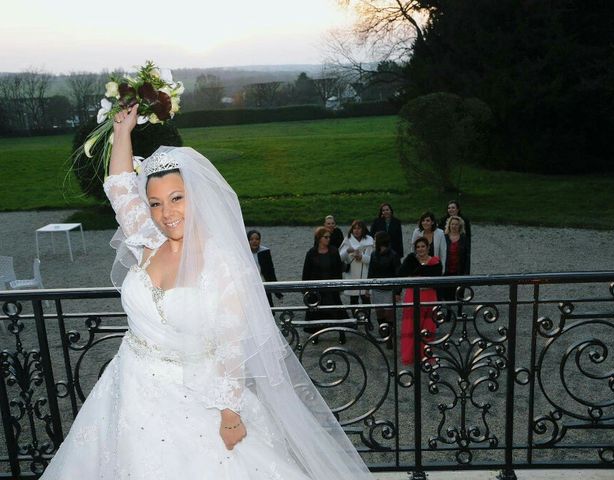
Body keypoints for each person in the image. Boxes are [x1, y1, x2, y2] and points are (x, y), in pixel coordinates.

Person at [40, 105, 373, 480]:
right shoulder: (147, 241)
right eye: (155, 203)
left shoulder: (222, 264)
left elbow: (232, 343)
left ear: (196, 197)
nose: (167, 213)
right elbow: (119, 186)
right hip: (129, 384)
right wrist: (122, 131)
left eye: (177, 198)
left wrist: (230, 413)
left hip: (197, 396)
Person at [397, 237, 442, 366]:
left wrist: (415, 275)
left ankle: (426, 354)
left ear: (428, 247)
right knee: (410, 326)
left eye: (423, 246)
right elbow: (400, 274)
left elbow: (436, 280)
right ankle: (409, 356)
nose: (420, 249)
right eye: (418, 247)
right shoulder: (411, 260)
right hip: (413, 296)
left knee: (428, 327)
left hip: (429, 297)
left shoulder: (435, 262)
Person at [302, 226, 349, 332]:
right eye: (326, 237)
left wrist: (339, 285)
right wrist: (305, 288)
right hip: (316, 289)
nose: (328, 239)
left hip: (331, 288)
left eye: (329, 237)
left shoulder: (333, 251)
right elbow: (306, 272)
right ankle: (315, 334)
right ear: (319, 238)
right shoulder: (311, 253)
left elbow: (338, 270)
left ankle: (341, 333)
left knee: (336, 312)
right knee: (316, 312)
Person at [367, 231, 401, 348]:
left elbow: (398, 275)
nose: (374, 242)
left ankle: (389, 336)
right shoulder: (373, 254)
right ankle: (383, 332)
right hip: (377, 289)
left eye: (375, 239)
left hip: (389, 290)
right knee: (379, 312)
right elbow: (371, 271)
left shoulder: (393, 255)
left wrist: (397, 292)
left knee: (389, 314)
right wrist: (367, 287)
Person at [339, 220, 374, 309]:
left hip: (365, 276)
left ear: (363, 229)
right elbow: (339, 259)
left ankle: (367, 321)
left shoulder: (369, 242)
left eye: (359, 228)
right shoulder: (347, 241)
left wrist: (361, 257)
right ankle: (356, 320)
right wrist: (347, 251)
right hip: (352, 275)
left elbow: (373, 260)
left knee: (366, 300)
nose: (356, 230)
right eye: (354, 228)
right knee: (353, 301)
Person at [247, 229, 283, 308]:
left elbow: (270, 272)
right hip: (249, 286)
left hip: (264, 284)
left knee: (268, 308)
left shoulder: (265, 251)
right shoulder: (244, 252)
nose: (254, 241)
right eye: (251, 239)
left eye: (257, 239)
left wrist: (277, 292)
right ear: (248, 241)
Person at [442, 216, 470, 301]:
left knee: (459, 294)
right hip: (446, 270)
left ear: (460, 226)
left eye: (456, 224)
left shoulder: (464, 238)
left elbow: (467, 256)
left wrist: (466, 272)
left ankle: (459, 312)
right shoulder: (444, 237)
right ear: (449, 225)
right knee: (447, 294)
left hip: (459, 270)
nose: (454, 226)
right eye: (452, 224)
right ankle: (448, 313)